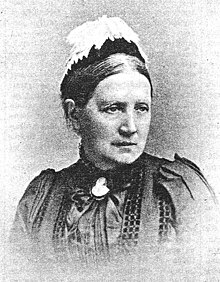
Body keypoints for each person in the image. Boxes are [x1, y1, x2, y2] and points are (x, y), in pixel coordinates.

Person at [10, 16, 219, 268]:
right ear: (74, 116)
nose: (130, 127)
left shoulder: (178, 191)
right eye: (113, 109)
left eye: (141, 108)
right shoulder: (41, 200)